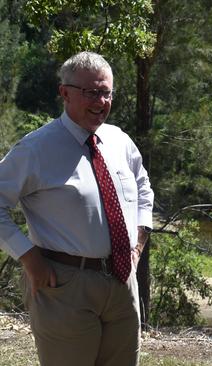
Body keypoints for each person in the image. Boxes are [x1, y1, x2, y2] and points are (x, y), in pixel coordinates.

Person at [0, 51, 154, 365]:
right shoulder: (37, 148)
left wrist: (138, 244)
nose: (101, 101)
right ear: (64, 93)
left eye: (107, 92)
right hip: (64, 285)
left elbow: (143, 189)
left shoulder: (119, 140)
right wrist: (28, 257)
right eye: (91, 92)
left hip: (123, 282)